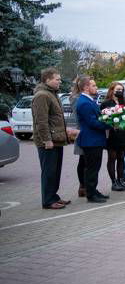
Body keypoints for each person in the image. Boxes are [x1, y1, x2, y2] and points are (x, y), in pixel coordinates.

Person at [32, 68, 76, 209]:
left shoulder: (52, 94)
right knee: (49, 172)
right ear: (47, 80)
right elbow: (41, 121)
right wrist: (47, 140)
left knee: (55, 171)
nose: (60, 81)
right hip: (48, 142)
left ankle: (53, 196)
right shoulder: (42, 96)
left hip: (56, 139)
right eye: (57, 79)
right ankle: (48, 201)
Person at [75, 77, 112, 203]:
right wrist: (110, 124)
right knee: (92, 168)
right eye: (94, 85)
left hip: (94, 139)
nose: (96, 87)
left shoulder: (89, 100)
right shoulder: (84, 102)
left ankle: (93, 190)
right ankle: (91, 194)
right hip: (91, 140)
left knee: (94, 167)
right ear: (86, 87)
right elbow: (92, 122)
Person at [100, 82, 125, 192]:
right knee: (112, 157)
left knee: (121, 157)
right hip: (112, 134)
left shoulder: (124, 102)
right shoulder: (106, 103)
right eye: (118, 89)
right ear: (112, 90)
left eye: (121, 90)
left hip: (124, 133)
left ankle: (120, 180)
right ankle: (113, 182)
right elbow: (103, 117)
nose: (120, 91)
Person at [68, 76, 88, 196]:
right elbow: (79, 115)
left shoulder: (82, 96)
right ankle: (83, 186)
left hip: (85, 130)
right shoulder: (76, 98)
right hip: (82, 131)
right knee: (83, 159)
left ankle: (85, 185)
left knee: (85, 160)